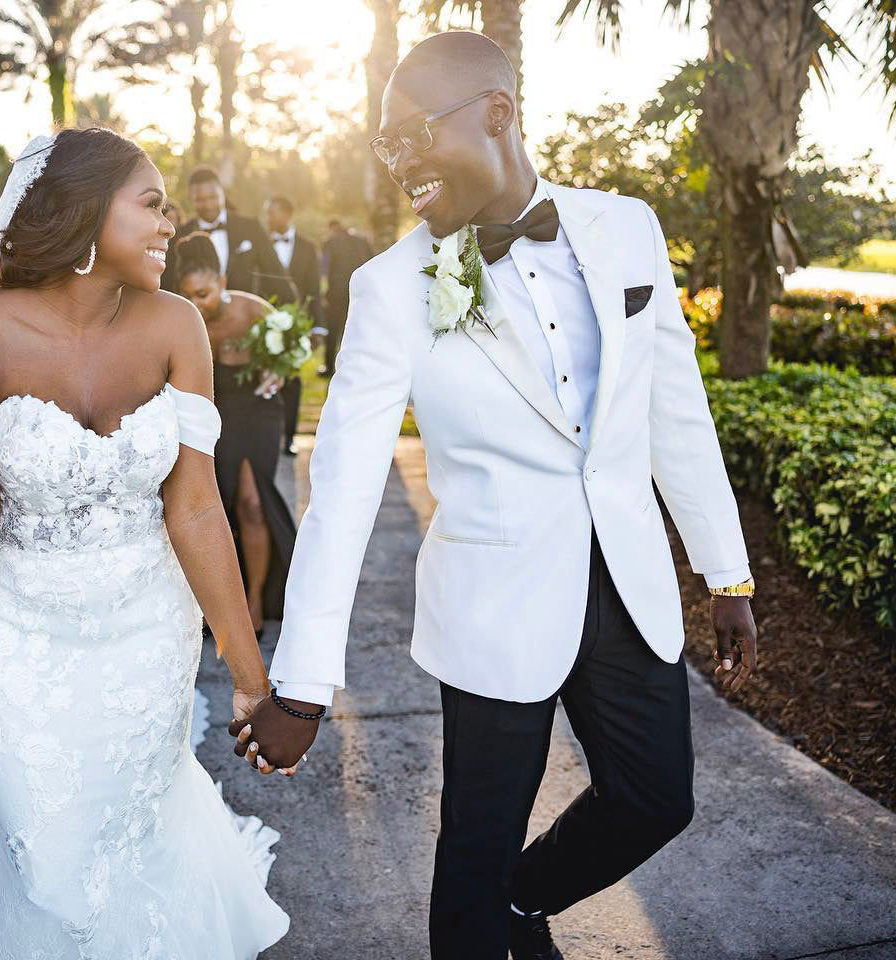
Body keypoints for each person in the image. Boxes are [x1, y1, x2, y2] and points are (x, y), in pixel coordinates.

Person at [233, 31, 760, 960]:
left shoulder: (624, 226)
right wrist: (302, 688)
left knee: (655, 799)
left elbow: (675, 407)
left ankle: (525, 902)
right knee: (471, 856)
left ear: (497, 113)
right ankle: (487, 917)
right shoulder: (392, 288)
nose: (399, 166)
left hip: (625, 583)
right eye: (383, 149)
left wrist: (727, 573)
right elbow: (344, 491)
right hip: (493, 604)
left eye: (412, 138)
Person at [0, 127, 290, 958]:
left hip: (147, 625)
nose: (170, 227)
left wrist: (252, 682)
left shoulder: (177, 327)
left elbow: (194, 508)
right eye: (151, 206)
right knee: (45, 843)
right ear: (84, 214)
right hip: (15, 633)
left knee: (133, 819)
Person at [174, 231, 299, 636]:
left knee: (251, 502)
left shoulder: (255, 310)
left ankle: (255, 598)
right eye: (189, 295)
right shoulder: (184, 323)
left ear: (223, 283)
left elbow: (293, 354)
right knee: (220, 507)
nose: (198, 303)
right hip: (215, 413)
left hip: (259, 411)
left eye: (205, 293)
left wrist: (277, 374)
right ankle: (217, 599)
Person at [163, 166, 298, 307]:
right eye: (200, 200)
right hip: (197, 319)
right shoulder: (178, 235)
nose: (208, 205)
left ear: (222, 193)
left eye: (213, 197)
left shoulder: (251, 228)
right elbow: (169, 284)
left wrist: (292, 316)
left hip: (244, 319)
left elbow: (275, 274)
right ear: (191, 199)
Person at [264, 195, 322, 455]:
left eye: (272, 213)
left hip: (298, 325)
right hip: (267, 321)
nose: (267, 218)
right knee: (267, 378)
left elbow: (314, 290)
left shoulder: (308, 248)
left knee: (293, 381)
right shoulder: (262, 243)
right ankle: (268, 435)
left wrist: (318, 327)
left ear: (287, 214)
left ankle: (288, 437)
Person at [319, 219, 374, 376]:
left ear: (332, 228)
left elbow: (325, 269)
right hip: (360, 292)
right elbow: (372, 263)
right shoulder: (362, 241)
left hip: (336, 293)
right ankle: (357, 367)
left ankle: (329, 367)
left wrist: (324, 291)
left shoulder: (330, 242)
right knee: (358, 330)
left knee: (333, 331)